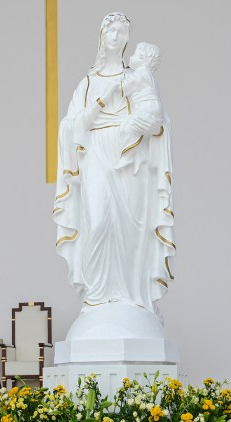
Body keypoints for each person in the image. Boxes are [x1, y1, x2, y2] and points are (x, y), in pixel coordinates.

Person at [53, 12, 174, 313]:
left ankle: (130, 297)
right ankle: (96, 298)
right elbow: (70, 126)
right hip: (95, 153)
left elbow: (155, 117)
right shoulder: (88, 82)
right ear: (102, 36)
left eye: (123, 32)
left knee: (133, 226)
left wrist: (138, 128)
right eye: (112, 31)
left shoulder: (134, 77)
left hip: (128, 158)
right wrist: (101, 102)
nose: (117, 37)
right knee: (98, 220)